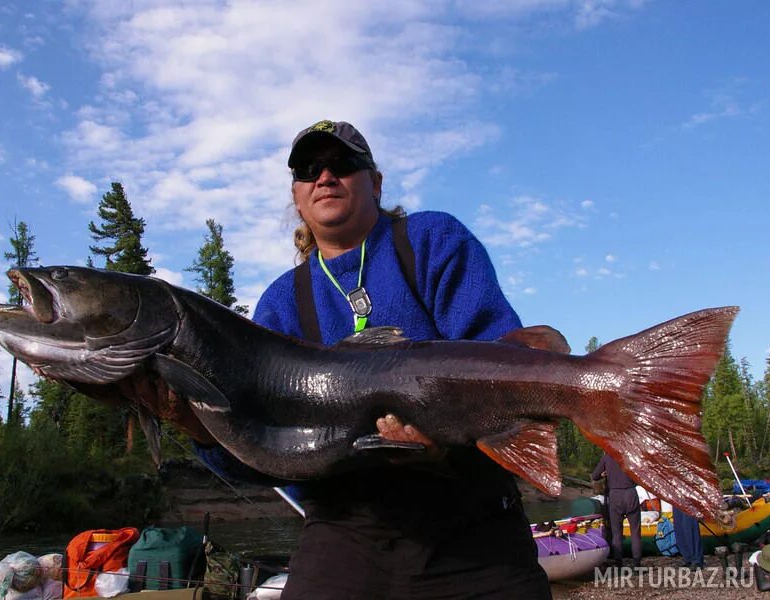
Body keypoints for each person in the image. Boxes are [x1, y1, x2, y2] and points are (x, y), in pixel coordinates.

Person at [198, 120, 551, 599]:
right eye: (309, 169)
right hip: (345, 535)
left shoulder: (431, 239)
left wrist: (443, 439)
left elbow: (497, 361)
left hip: (474, 528)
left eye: (342, 164)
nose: (325, 176)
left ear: (376, 183)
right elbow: (264, 455)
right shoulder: (281, 303)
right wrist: (196, 424)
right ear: (298, 195)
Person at [592, 452, 642, 568]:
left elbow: (595, 476)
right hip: (630, 493)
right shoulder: (630, 455)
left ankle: (618, 562)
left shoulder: (607, 456)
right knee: (635, 532)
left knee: (616, 532)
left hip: (615, 495)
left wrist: (603, 474)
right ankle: (637, 564)